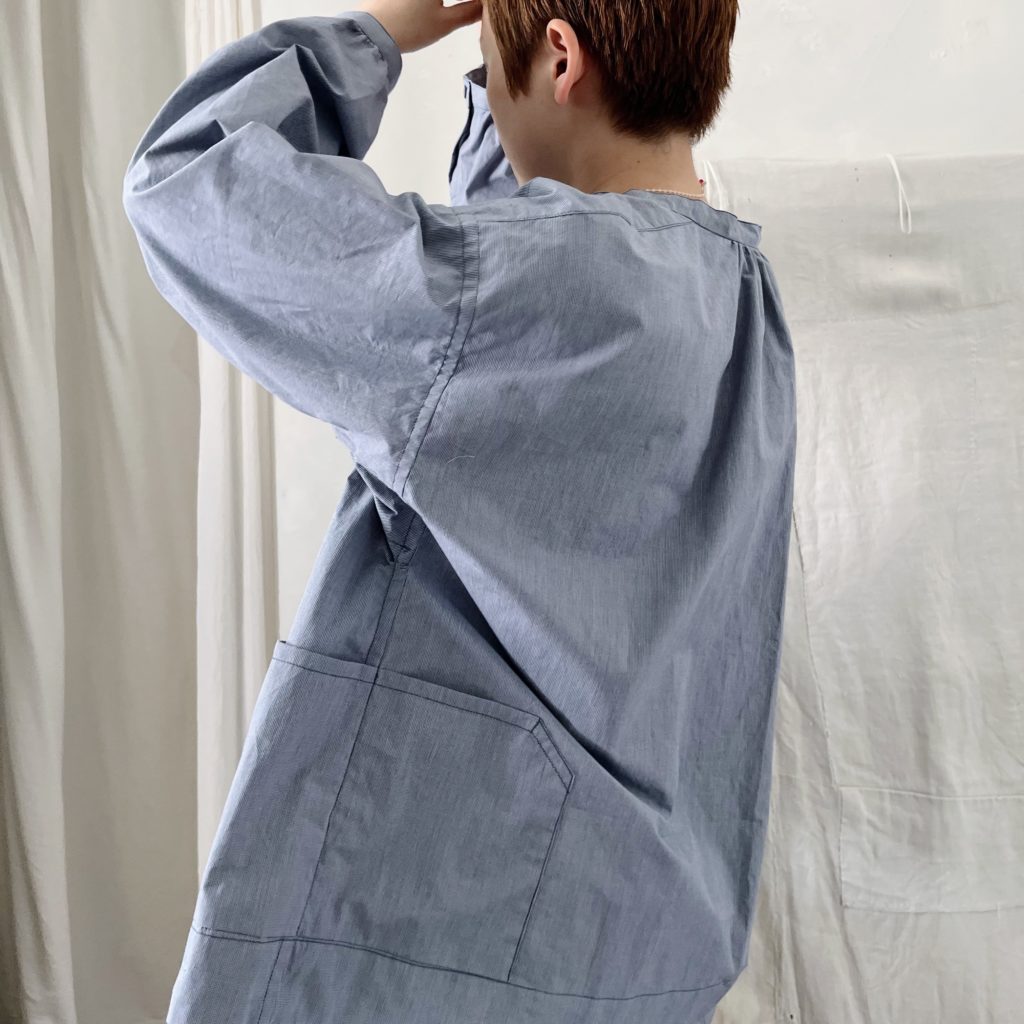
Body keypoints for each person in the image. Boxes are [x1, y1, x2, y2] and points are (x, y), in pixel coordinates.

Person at [122, 1, 796, 1021]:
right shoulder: (737, 294)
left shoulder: (518, 292)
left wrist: (381, 30)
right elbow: (526, 215)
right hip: (635, 948)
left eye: (492, 59)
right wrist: (513, 67)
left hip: (427, 943)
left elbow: (186, 179)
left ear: (562, 56)